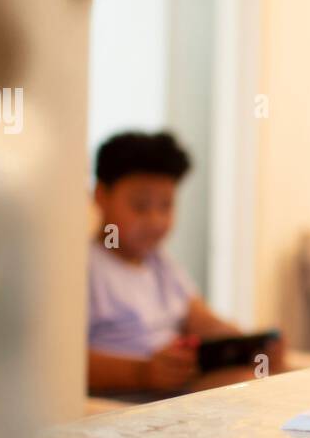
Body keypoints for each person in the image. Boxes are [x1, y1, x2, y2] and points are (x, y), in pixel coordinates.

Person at [87, 130, 280, 397]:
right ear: (101, 195)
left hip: (173, 388)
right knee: (244, 388)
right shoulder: (87, 267)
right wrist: (142, 372)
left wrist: (248, 346)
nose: (155, 221)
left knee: (263, 379)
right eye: (140, 206)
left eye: (166, 206)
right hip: (124, 398)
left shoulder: (159, 262)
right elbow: (63, 360)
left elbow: (201, 319)